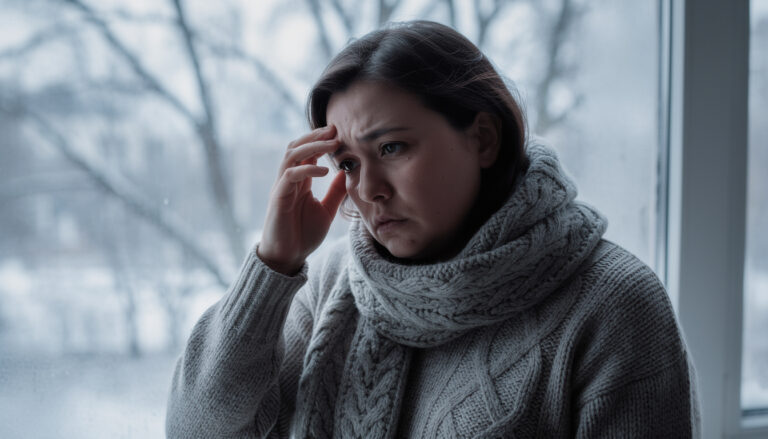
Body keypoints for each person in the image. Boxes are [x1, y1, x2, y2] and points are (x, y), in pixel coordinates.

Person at [166, 20, 700, 438]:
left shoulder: (614, 305)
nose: (368, 188)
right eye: (348, 163)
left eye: (391, 148)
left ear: (484, 139)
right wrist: (273, 265)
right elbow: (196, 431)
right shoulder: (332, 284)